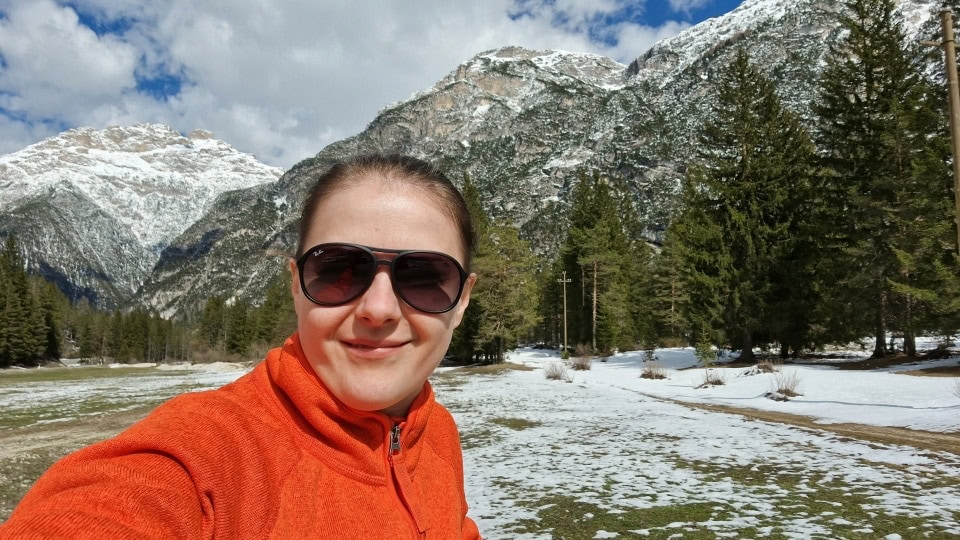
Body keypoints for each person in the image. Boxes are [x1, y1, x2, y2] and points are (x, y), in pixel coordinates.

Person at [0, 154, 482, 539]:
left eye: (424, 277)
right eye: (338, 271)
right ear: (296, 286)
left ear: (461, 302)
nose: (379, 308)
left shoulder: (433, 428)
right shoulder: (204, 458)